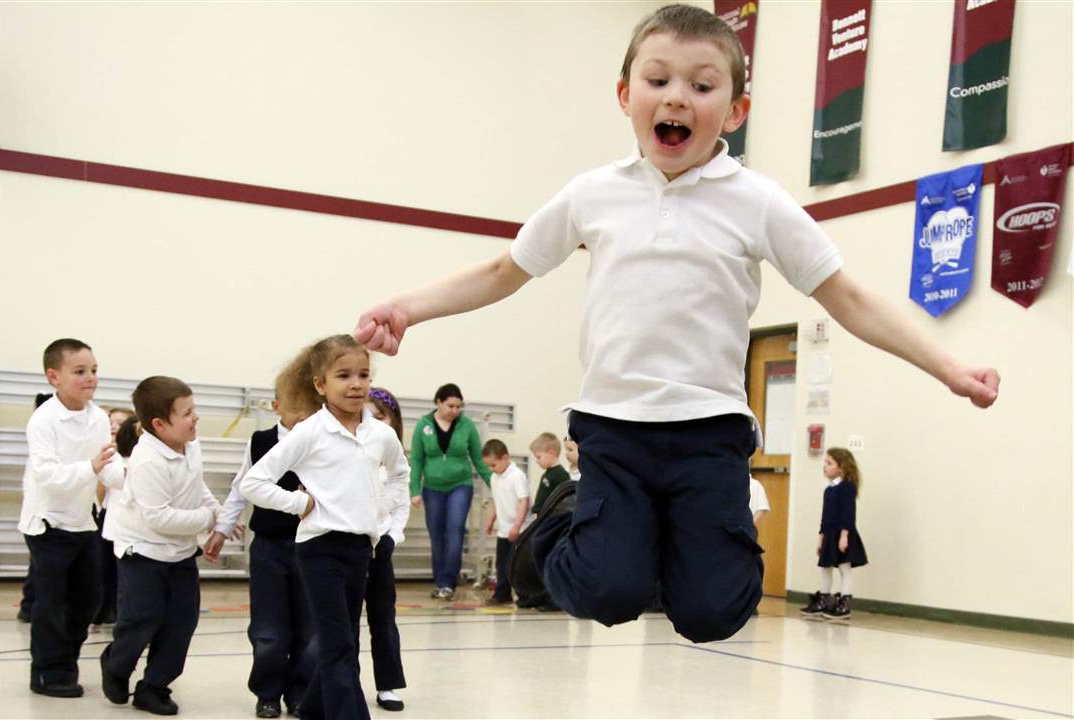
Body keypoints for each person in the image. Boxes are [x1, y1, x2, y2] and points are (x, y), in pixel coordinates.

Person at [354, 4, 999, 643]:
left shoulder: (758, 201)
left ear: (736, 110)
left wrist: (948, 367)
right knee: (607, 593)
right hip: (615, 429)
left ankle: (674, 543)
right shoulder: (594, 193)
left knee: (713, 613)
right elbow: (504, 269)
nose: (678, 98)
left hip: (709, 432)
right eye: (658, 80)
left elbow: (849, 296)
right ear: (625, 94)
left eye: (702, 84)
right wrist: (407, 308)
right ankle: (570, 525)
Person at [238, 335, 409, 720]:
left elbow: (400, 475)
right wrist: (299, 503)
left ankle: (313, 709)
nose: (356, 384)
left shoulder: (381, 435)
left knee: (343, 638)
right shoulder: (310, 432)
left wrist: (381, 518)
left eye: (363, 375)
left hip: (360, 550)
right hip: (319, 550)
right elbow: (254, 482)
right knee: (337, 647)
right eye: (343, 375)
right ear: (320, 385)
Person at [100, 376, 220, 716]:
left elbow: (197, 487)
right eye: (186, 413)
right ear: (159, 424)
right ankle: (116, 664)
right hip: (143, 552)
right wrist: (208, 519)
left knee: (182, 621)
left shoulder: (191, 444)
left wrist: (219, 513)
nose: (195, 418)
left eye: (193, 410)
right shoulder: (147, 461)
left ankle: (154, 686)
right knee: (142, 619)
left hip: (180, 553)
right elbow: (160, 519)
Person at [18, 339, 124, 698]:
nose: (90, 377)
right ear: (54, 377)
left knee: (89, 598)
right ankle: (48, 672)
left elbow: (107, 467)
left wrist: (130, 477)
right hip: (47, 524)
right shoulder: (43, 420)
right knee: (50, 603)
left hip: (82, 522)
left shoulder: (96, 417)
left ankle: (66, 660)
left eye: (93, 370)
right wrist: (91, 467)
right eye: (80, 372)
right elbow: (48, 475)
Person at [203, 387, 312, 719]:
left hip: (312, 546)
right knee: (268, 627)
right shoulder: (260, 441)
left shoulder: (319, 440)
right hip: (269, 546)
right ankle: (267, 692)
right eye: (297, 407)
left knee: (309, 627)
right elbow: (240, 488)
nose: (304, 415)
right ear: (278, 406)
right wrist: (222, 529)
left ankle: (301, 692)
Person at [408, 383, 492, 600]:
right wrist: (414, 490)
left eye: (458, 407)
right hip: (432, 488)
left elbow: (479, 459)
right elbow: (416, 459)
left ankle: (448, 583)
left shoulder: (467, 426)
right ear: (438, 403)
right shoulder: (423, 425)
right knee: (437, 536)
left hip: (460, 486)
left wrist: (496, 484)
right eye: (450, 406)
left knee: (455, 532)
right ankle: (440, 580)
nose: (455, 411)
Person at [365, 387, 410, 712]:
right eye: (368, 415)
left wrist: (391, 537)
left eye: (380, 416)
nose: (374, 422)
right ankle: (344, 682)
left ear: (393, 422)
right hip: (349, 548)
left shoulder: (396, 460)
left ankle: (388, 685)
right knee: (343, 622)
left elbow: (402, 505)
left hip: (381, 549)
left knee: (383, 620)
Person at [800, 448, 868, 622]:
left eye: (829, 463)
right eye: (825, 462)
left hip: (842, 533)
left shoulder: (847, 487)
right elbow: (825, 516)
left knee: (844, 568)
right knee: (825, 568)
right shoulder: (829, 489)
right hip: (829, 534)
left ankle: (845, 603)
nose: (825, 466)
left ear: (842, 467)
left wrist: (845, 535)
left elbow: (849, 514)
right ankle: (823, 599)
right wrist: (821, 537)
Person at [93, 406, 134, 626]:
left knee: (123, 577)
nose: (115, 427)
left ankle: (121, 615)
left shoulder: (132, 456)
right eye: (112, 423)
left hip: (127, 524)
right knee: (105, 572)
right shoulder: (108, 454)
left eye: (121, 423)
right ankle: (103, 612)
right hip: (109, 518)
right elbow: (101, 489)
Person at [17, 391, 54, 625]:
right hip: (41, 516)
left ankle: (29, 605)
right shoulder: (41, 442)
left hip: (46, 515)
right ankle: (29, 606)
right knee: (41, 570)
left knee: (39, 568)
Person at [481, 439, 532, 606]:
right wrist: (490, 520)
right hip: (504, 530)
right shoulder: (495, 478)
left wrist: (517, 526)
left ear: (505, 458)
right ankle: (502, 594)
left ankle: (525, 596)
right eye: (488, 466)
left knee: (519, 566)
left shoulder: (517, 476)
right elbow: (496, 500)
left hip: (520, 530)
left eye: (493, 465)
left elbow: (524, 501)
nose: (491, 469)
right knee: (501, 565)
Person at [528, 433, 571, 516]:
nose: (537, 461)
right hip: (542, 516)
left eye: (538, 457)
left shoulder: (561, 474)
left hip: (551, 518)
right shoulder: (547, 473)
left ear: (551, 453)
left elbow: (564, 501)